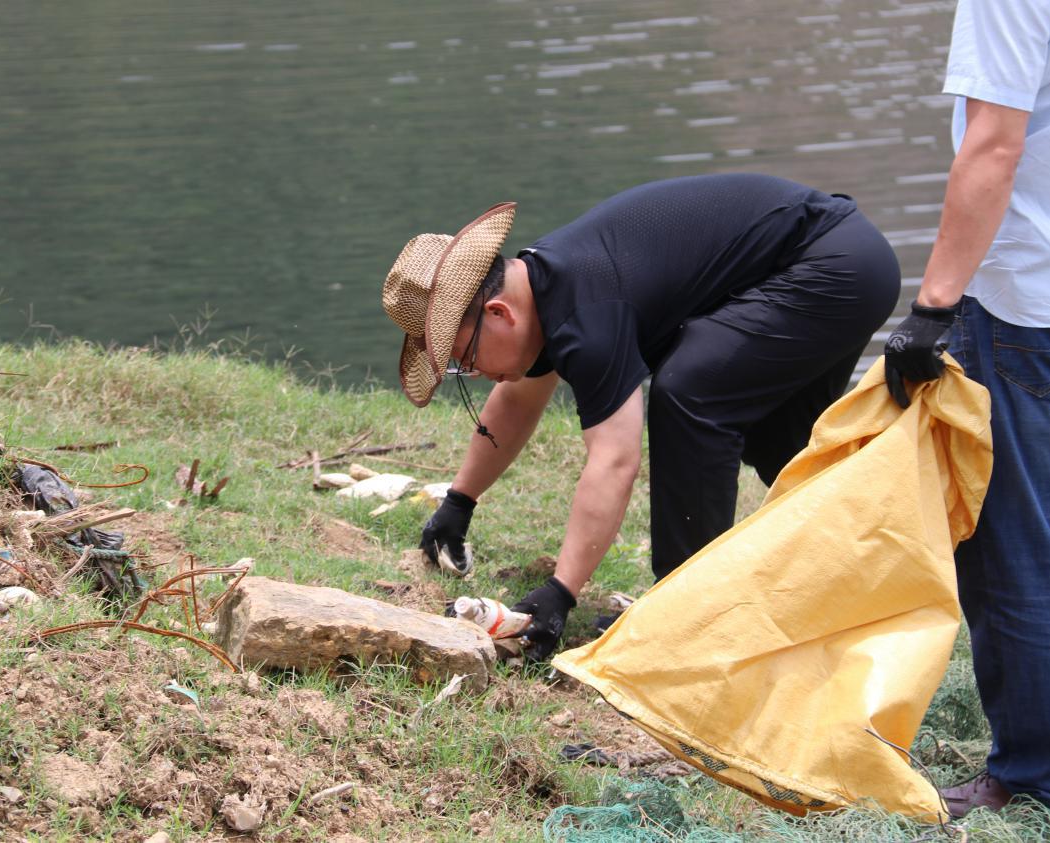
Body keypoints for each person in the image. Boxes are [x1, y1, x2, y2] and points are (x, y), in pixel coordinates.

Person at [381, 173, 900, 661]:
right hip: (831, 263)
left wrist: (562, 591)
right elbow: (519, 400)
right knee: (779, 448)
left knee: (691, 394)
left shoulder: (586, 311)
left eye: (463, 356)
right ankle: (872, 586)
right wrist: (459, 501)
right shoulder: (545, 290)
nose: (470, 371)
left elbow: (614, 460)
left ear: (498, 315)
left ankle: (686, 617)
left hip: (834, 264)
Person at [882, 0, 1050, 817]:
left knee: (1016, 552)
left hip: (1028, 305)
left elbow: (993, 143)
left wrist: (934, 306)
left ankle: (1028, 774)